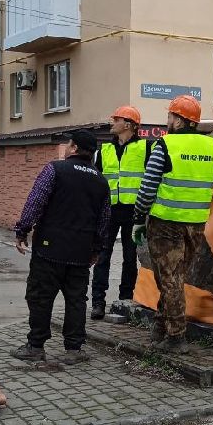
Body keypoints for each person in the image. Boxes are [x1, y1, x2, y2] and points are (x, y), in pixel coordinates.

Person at [132, 95, 213, 352]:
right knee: (174, 278)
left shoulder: (165, 145)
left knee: (169, 280)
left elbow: (147, 188)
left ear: (178, 120)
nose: (168, 120)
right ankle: (160, 326)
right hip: (196, 224)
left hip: (165, 223)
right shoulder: (211, 147)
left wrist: (137, 219)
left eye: (170, 116)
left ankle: (176, 336)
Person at [12, 129, 110, 364]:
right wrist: (96, 250)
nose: (67, 146)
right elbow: (104, 220)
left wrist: (22, 230)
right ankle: (74, 350)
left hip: (49, 249)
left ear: (74, 148)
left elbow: (35, 201)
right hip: (81, 253)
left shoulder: (54, 170)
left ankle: (36, 346)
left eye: (69, 143)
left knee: (40, 297)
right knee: (76, 300)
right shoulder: (101, 181)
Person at [90, 105, 152, 320]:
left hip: (134, 212)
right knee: (102, 256)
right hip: (108, 211)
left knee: (129, 256)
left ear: (129, 125)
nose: (111, 122)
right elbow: (96, 182)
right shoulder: (103, 151)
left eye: (116, 119)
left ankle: (125, 299)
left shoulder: (146, 149)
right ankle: (98, 302)